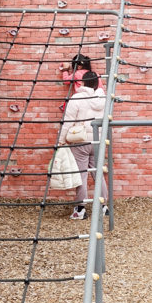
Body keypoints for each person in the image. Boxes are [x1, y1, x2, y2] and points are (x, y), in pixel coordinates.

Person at [60, 70, 108, 220]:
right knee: (98, 173)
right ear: (97, 83)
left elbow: (68, 121)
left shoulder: (77, 98)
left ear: (83, 82)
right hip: (98, 141)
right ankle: (103, 207)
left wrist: (61, 140)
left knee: (81, 174)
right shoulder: (104, 99)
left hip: (80, 140)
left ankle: (80, 210)